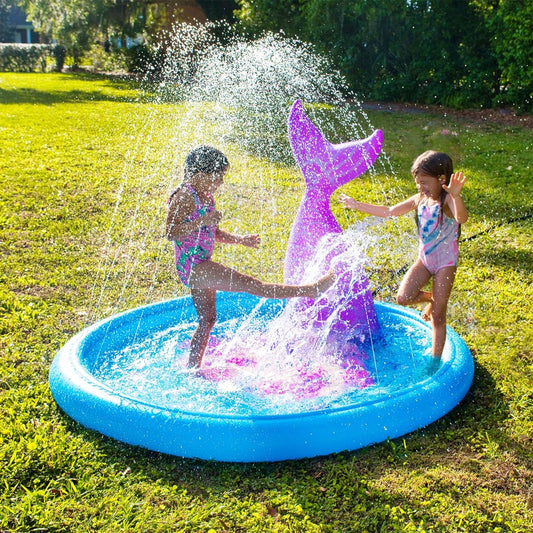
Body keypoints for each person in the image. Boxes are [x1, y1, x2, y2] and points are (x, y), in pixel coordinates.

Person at [166, 145, 336, 369]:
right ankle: (310, 290)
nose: (221, 183)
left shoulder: (204, 196)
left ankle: (192, 369)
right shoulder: (184, 196)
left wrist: (239, 239)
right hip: (193, 266)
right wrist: (203, 221)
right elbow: (170, 232)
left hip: (199, 265)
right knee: (253, 285)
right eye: (217, 177)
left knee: (207, 320)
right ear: (200, 174)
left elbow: (210, 233)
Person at [339, 150, 468, 359]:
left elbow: (462, 218)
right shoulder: (419, 199)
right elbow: (390, 210)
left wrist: (455, 195)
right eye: (418, 182)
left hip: (446, 262)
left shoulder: (447, 202)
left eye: (424, 182)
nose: (420, 187)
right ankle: (433, 299)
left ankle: (434, 360)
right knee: (403, 297)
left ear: (441, 179)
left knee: (438, 317)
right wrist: (357, 205)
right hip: (425, 260)